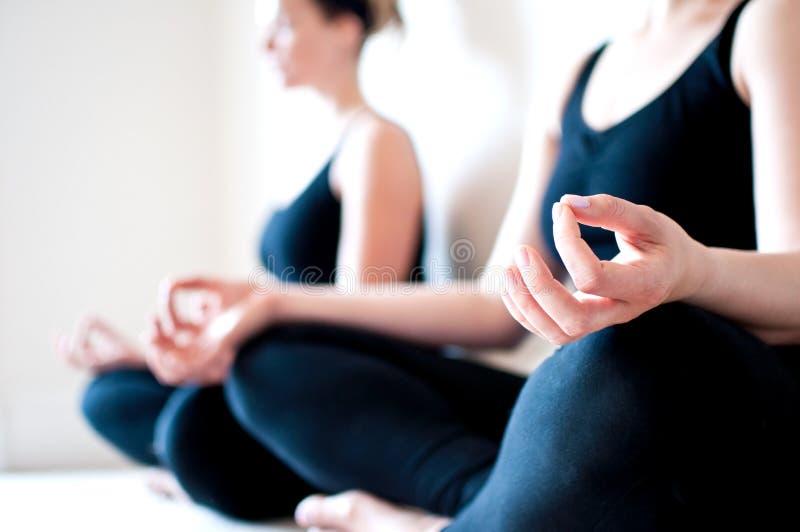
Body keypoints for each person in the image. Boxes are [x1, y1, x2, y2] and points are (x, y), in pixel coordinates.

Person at [141, 0, 799, 529]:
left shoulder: (767, 22)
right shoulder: (579, 71)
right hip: (580, 396)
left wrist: (690, 273)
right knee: (260, 373)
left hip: (702, 397)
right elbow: (495, 306)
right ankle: (497, 502)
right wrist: (275, 304)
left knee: (624, 356)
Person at [56, 0, 427, 520]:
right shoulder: (311, 149)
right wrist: (155, 355)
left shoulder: (377, 143)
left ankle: (210, 467)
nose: (263, 46)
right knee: (110, 395)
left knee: (191, 426)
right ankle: (207, 468)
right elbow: (271, 296)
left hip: (331, 383)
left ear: (345, 29)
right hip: (275, 365)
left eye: (283, 28)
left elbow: (356, 316)